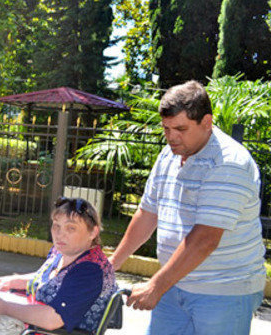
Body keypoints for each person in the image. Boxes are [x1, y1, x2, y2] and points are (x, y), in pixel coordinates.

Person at [108, 80, 266, 335]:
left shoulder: (228, 163)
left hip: (223, 291)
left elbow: (205, 239)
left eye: (180, 128)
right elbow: (148, 213)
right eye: (167, 128)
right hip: (175, 284)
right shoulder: (168, 155)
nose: (172, 137)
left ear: (206, 122)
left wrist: (156, 286)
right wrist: (112, 264)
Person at [0, 197, 117, 333]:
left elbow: (52, 319)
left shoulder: (90, 270)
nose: (59, 234)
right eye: (56, 225)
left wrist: (3, 307)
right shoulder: (63, 251)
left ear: (93, 232)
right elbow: (51, 278)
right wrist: (11, 281)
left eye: (71, 228)